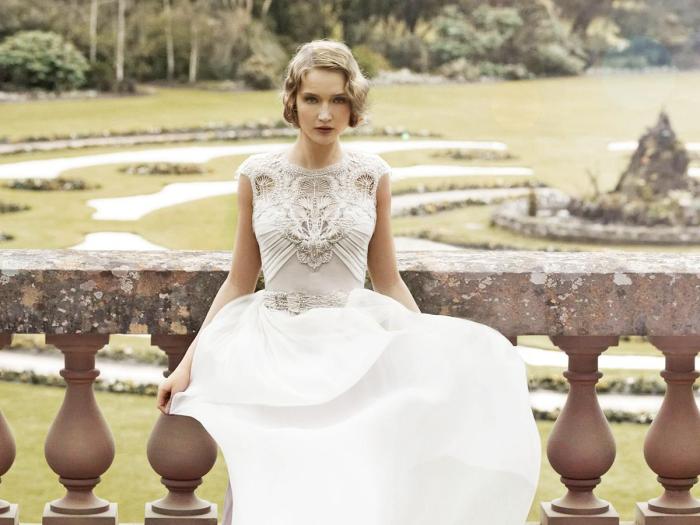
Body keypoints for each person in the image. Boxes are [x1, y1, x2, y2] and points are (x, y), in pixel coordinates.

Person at [158, 38, 541, 525]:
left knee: (351, 494)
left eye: (338, 99)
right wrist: (185, 367)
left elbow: (387, 279)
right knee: (274, 493)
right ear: (292, 101)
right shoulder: (257, 176)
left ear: (352, 104)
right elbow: (238, 282)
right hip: (272, 356)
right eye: (312, 99)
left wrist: (427, 350)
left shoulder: (371, 175)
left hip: (351, 356)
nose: (325, 113)